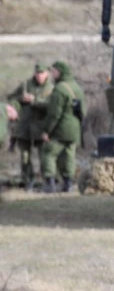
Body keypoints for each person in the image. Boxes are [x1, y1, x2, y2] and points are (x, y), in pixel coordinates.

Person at [6, 62, 53, 190]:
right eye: (37, 73)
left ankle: (47, 181)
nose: (39, 76)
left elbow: (52, 106)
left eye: (42, 73)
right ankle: (28, 180)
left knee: (44, 156)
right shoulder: (26, 85)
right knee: (25, 157)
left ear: (47, 73)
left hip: (41, 128)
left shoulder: (51, 88)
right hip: (24, 126)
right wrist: (20, 100)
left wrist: (35, 100)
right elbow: (11, 98)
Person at [40, 61, 83, 193]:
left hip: (60, 129)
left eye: (53, 71)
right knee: (69, 156)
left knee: (48, 153)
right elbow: (83, 110)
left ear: (60, 72)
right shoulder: (76, 86)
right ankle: (68, 184)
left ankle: (50, 184)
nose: (52, 74)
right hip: (75, 128)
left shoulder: (60, 89)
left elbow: (54, 114)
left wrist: (46, 130)